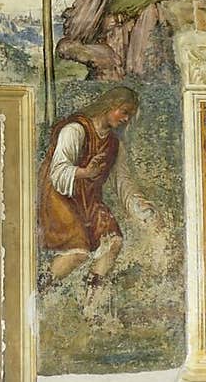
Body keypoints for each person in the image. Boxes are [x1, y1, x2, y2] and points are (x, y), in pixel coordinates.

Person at [38, 84, 155, 297]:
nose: (126, 119)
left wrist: (143, 210)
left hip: (89, 200)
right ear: (109, 105)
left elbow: (124, 183)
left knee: (114, 242)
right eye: (124, 111)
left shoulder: (114, 145)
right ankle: (40, 291)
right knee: (78, 252)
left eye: (130, 115)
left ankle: (91, 302)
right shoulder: (75, 130)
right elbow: (57, 173)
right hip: (60, 197)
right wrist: (85, 172)